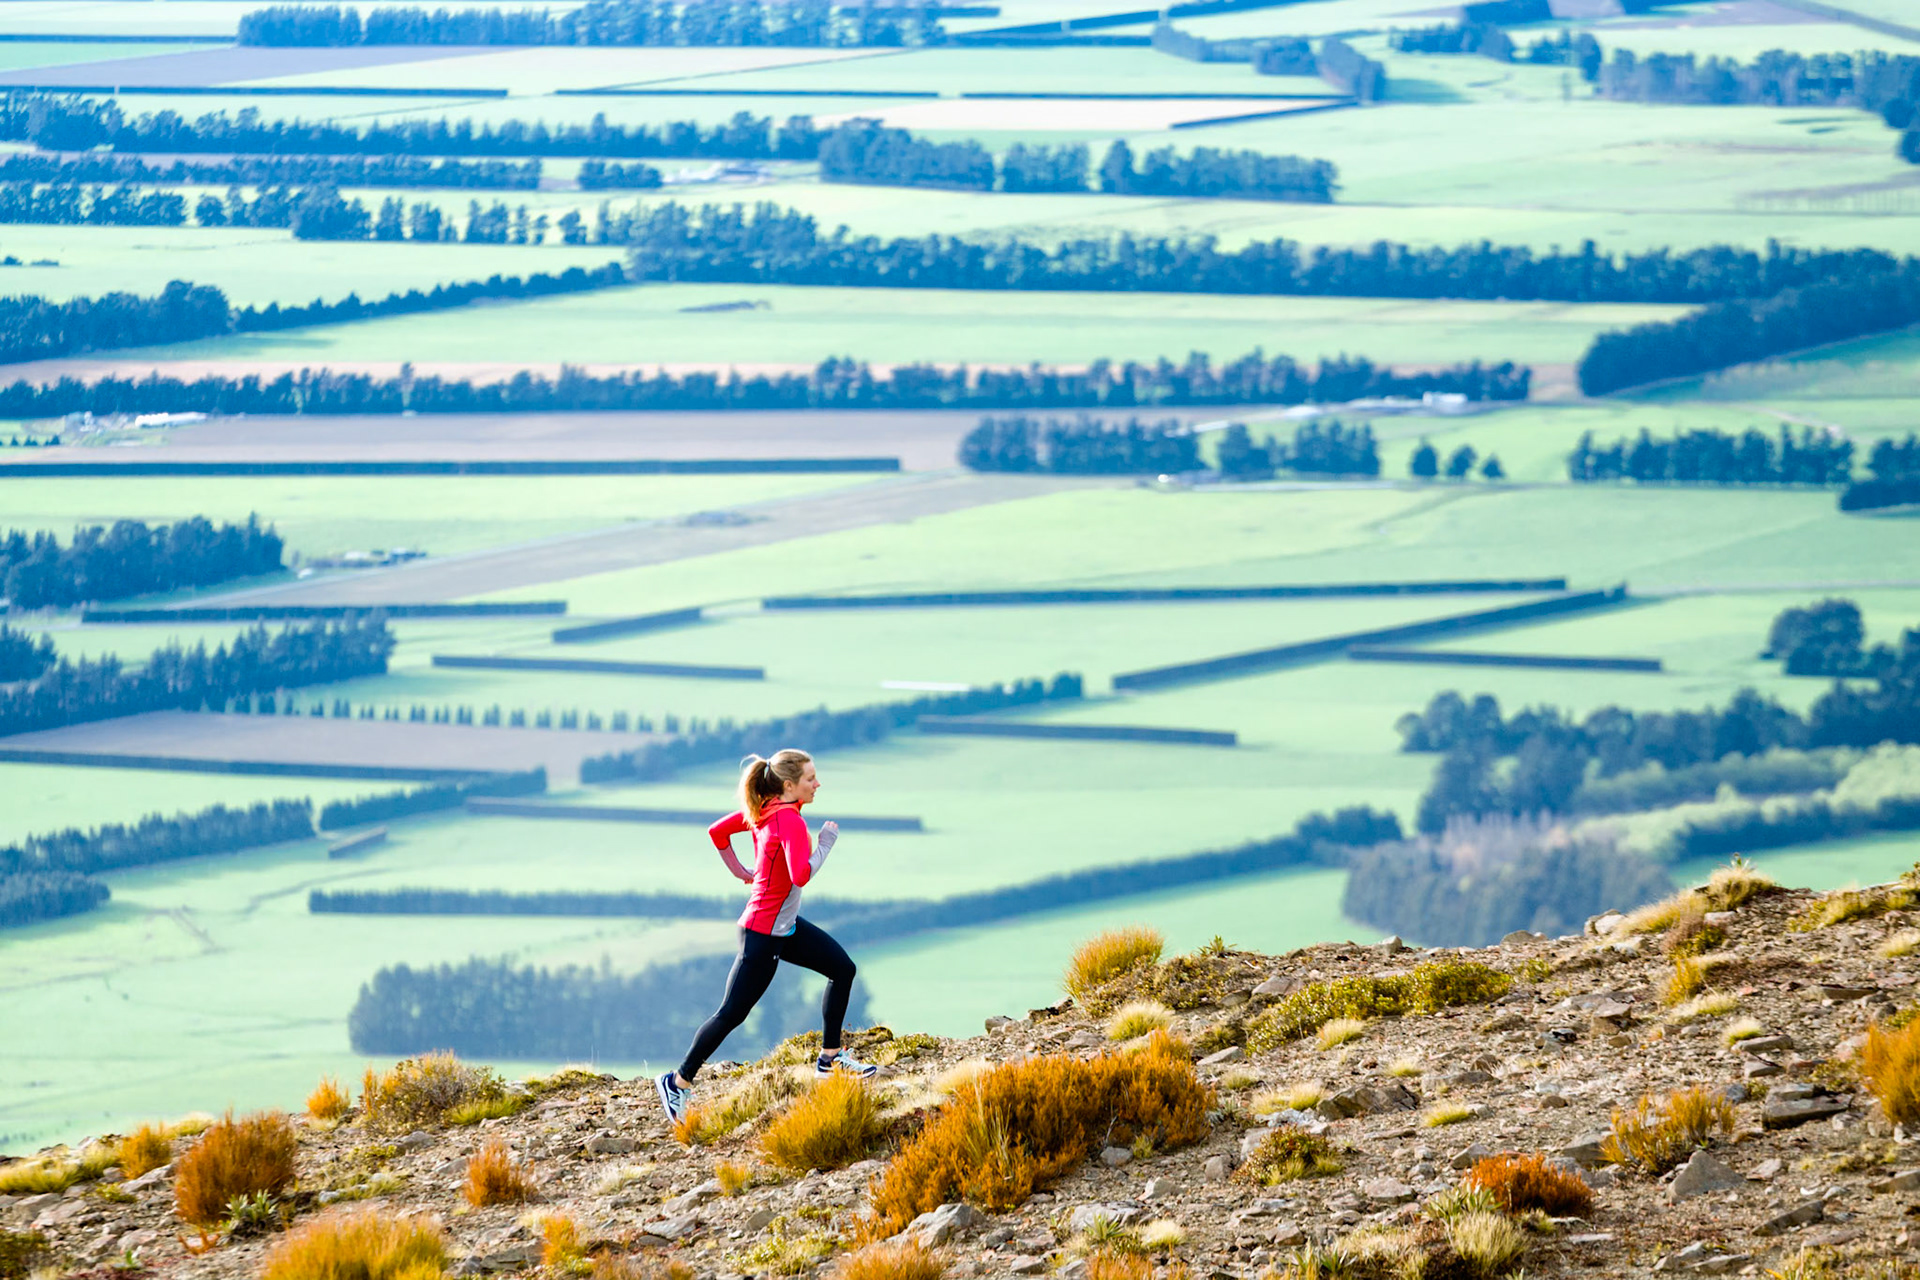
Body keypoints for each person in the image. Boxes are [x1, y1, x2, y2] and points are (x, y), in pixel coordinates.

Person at [656, 748, 875, 1125]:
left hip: (784, 927)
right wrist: (825, 844)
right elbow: (800, 874)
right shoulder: (788, 820)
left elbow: (717, 832)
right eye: (810, 779)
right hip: (763, 934)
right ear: (789, 785)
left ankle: (830, 1059)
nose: (818, 784)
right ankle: (677, 1082)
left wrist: (741, 871)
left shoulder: (765, 809)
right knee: (731, 1013)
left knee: (843, 969)